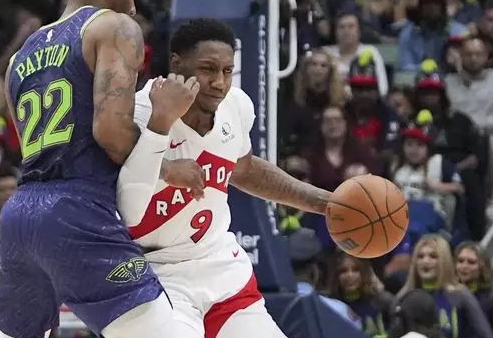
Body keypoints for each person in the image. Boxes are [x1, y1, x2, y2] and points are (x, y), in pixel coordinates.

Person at [0, 0, 202, 337]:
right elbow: (109, 132)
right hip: (78, 211)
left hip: (19, 217)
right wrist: (167, 165)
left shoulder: (18, 57)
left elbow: (31, 148)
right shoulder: (113, 27)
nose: (134, 5)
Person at [122, 18, 334, 338]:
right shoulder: (135, 114)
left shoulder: (236, 105)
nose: (219, 82)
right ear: (176, 64)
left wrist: (322, 201)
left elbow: (244, 169)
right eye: (208, 69)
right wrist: (164, 168)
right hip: (155, 274)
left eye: (227, 71)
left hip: (219, 268)